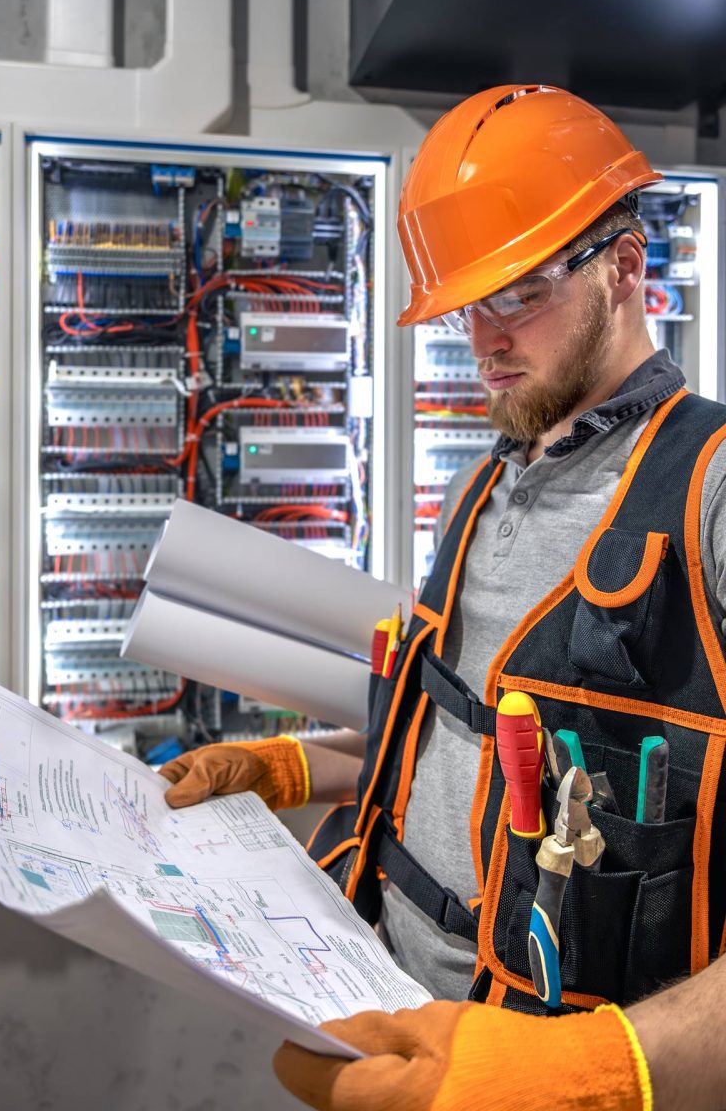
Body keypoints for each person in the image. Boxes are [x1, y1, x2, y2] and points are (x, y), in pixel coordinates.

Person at [160, 85, 726, 1110]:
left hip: (552, 1071)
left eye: (515, 293)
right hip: (399, 1020)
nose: (483, 338)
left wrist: (598, 1076)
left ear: (626, 269)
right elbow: (449, 744)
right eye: (467, 304)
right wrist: (286, 767)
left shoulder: (709, 490)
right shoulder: (477, 490)